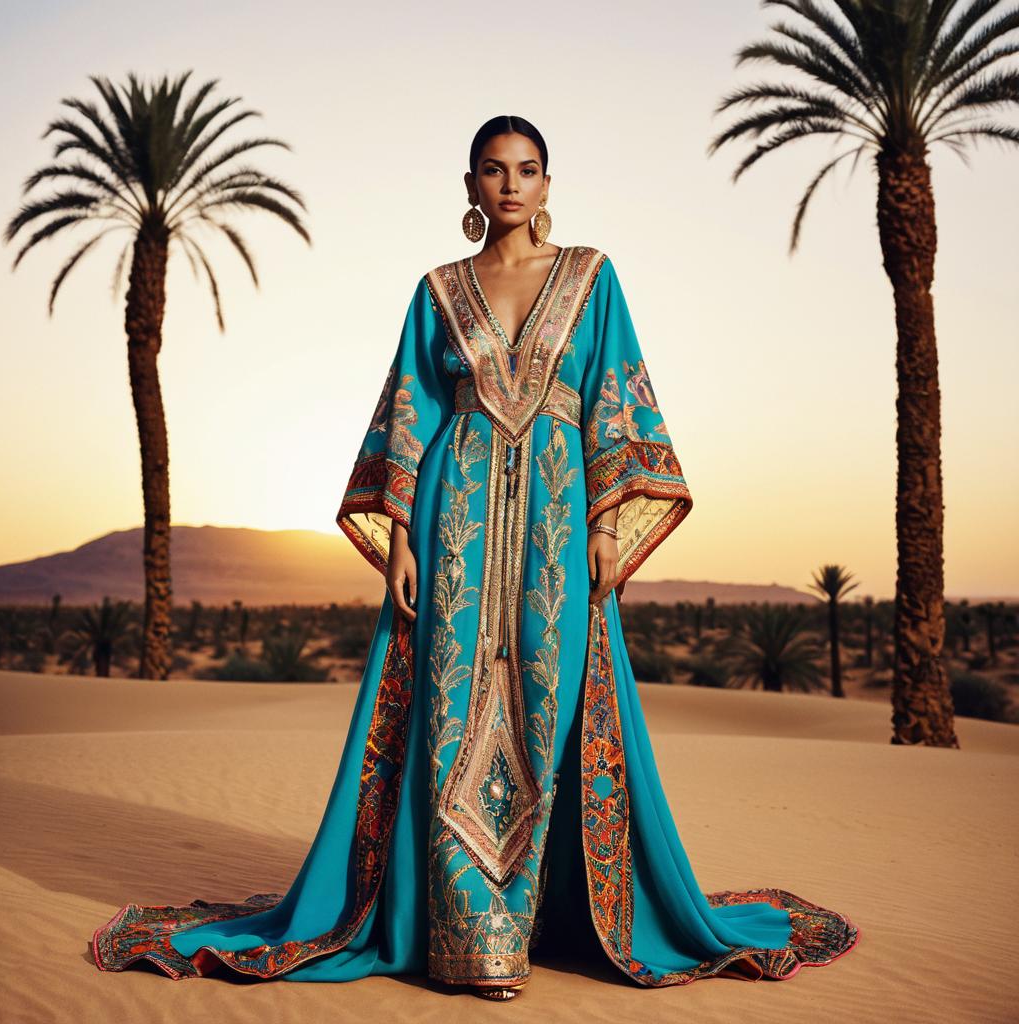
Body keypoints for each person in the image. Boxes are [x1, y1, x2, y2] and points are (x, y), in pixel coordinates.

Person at [91, 115, 858, 1001]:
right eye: (493, 171)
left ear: (547, 184)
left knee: (547, 697)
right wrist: (403, 543)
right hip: (453, 523)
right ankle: (470, 940)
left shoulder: (591, 277)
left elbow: (615, 400)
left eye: (527, 171)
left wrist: (607, 523)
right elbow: (407, 418)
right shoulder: (437, 290)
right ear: (470, 186)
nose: (510, 186)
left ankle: (554, 914)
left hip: (561, 526)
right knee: (450, 707)